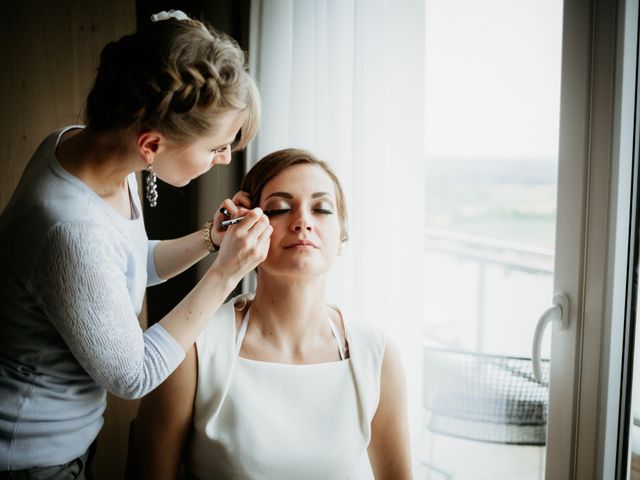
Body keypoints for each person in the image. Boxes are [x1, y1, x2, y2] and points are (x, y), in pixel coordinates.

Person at [0, 10, 272, 478]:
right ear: (151, 145)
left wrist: (210, 239)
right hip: (29, 455)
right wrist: (226, 273)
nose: (226, 158)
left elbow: (124, 266)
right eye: (216, 147)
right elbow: (134, 375)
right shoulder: (68, 229)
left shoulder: (80, 148)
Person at [127, 149, 412, 480]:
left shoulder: (376, 354)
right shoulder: (193, 350)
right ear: (244, 225)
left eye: (321, 209)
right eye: (279, 209)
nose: (303, 222)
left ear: (342, 237)